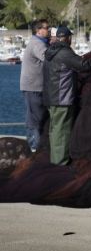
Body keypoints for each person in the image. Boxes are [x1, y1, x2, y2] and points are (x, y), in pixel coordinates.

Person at [43, 26, 91, 165]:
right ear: (68, 38)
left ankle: (55, 160)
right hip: (62, 98)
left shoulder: (50, 52)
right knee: (62, 132)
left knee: (55, 130)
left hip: (50, 97)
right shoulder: (64, 53)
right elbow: (85, 66)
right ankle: (60, 162)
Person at [20, 19, 50, 152]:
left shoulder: (38, 43)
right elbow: (49, 58)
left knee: (37, 119)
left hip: (34, 87)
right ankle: (34, 149)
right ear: (38, 30)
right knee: (35, 121)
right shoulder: (37, 44)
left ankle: (36, 147)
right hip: (34, 88)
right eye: (46, 28)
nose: (48, 30)